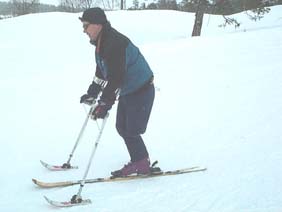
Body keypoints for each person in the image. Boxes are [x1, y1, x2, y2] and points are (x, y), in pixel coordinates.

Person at [79, 7, 155, 177]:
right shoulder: (101, 43)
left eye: (86, 25)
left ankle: (141, 163)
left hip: (141, 89)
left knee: (131, 130)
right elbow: (101, 71)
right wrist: (92, 92)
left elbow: (115, 79)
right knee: (122, 127)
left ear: (97, 25)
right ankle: (140, 161)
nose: (84, 30)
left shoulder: (114, 43)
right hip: (129, 90)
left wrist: (105, 103)